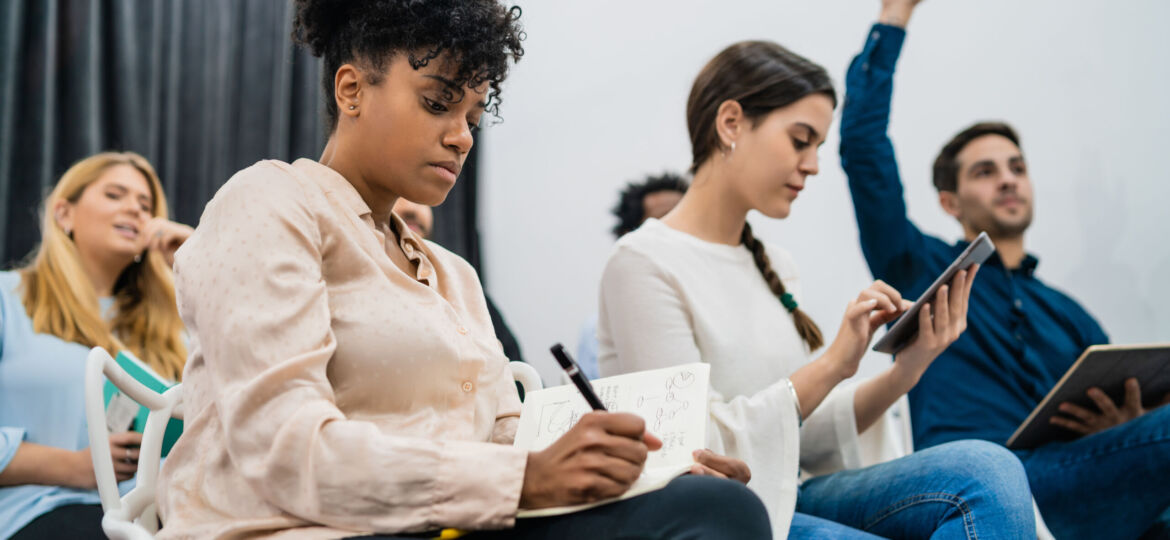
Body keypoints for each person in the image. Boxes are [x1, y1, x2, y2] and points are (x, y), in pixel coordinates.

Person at [155, 1, 771, 538]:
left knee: (708, 502)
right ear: (351, 91)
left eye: (473, 118)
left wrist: (639, 472)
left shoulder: (454, 276)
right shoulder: (270, 202)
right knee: (713, 517)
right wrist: (528, 477)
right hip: (297, 529)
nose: (461, 137)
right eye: (437, 104)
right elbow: (281, 449)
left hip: (445, 525)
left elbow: (509, 441)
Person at [598, 37, 1036, 539]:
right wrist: (833, 365)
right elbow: (694, 450)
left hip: (795, 489)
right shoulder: (642, 263)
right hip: (726, 511)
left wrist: (907, 368)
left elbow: (796, 438)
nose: (813, 164)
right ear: (731, 123)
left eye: (819, 147)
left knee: (990, 468)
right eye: (800, 140)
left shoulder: (775, 266)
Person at [839, 1, 1170, 537]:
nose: (1009, 180)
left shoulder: (1068, 314)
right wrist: (894, 16)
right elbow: (862, 146)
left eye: (1018, 168)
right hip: (982, 485)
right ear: (950, 202)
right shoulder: (922, 267)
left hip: (1087, 479)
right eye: (986, 172)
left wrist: (1129, 427)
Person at [0, 151, 192, 539]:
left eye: (145, 204)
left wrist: (198, 267)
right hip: (43, 511)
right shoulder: (7, 299)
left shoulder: (175, 327)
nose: (136, 210)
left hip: (162, 521)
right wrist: (72, 467)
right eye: (115, 195)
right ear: (64, 214)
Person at [577, 173, 688, 379]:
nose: (679, 232)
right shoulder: (594, 332)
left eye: (685, 219)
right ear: (630, 237)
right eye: (664, 221)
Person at [392, 198, 525, 364]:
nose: (412, 208)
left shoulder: (464, 284)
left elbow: (519, 368)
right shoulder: (363, 288)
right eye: (397, 196)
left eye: (421, 199)